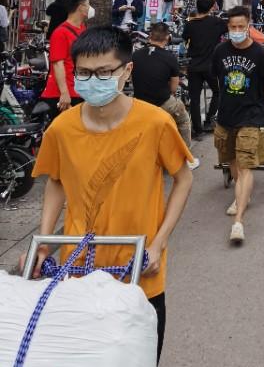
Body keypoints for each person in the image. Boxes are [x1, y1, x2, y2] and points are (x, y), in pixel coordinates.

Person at [27, 26, 193, 365]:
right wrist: (44, 242)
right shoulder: (61, 129)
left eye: (104, 72)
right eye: (84, 73)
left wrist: (159, 244)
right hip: (78, 274)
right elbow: (56, 181)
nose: (93, 80)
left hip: (139, 273)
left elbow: (183, 178)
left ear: (126, 70)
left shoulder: (156, 123)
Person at [213, 6, 264, 243]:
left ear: (249, 25)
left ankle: (238, 222)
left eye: (241, 27)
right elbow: (217, 81)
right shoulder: (220, 51)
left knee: (245, 166)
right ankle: (242, 195)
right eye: (232, 27)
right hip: (226, 116)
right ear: (227, 27)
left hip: (251, 116)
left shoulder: (260, 54)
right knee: (232, 161)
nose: (237, 31)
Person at [132, 22, 200, 170]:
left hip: (139, 103)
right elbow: (174, 87)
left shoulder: (136, 55)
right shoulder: (169, 57)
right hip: (162, 101)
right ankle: (186, 157)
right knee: (183, 119)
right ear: (168, 38)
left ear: (149, 37)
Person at [182, 0, 227, 138]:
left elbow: (184, 38)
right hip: (211, 66)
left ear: (197, 6)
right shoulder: (217, 22)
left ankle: (198, 130)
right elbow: (228, 28)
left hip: (194, 65)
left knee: (194, 98)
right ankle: (209, 120)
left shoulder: (190, 24)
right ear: (211, 7)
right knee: (218, 92)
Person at [41, 0, 92, 117]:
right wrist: (64, 93)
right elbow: (58, 65)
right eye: (87, 4)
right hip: (64, 94)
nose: (90, 8)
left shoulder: (83, 29)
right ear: (80, 7)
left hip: (79, 90)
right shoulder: (60, 33)